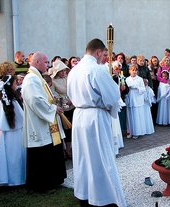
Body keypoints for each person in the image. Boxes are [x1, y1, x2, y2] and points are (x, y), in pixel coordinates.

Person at [67, 38, 127, 207]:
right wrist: (111, 109)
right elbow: (112, 97)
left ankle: (85, 194)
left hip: (79, 116)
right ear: (98, 51)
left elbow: (71, 95)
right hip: (95, 117)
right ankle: (105, 196)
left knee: (83, 157)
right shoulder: (97, 70)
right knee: (101, 157)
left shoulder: (74, 70)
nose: (105, 59)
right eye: (104, 55)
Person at [21, 51, 67, 192]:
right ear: (37, 62)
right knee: (42, 153)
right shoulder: (31, 79)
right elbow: (35, 100)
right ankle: (42, 185)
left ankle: (54, 180)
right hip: (39, 124)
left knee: (51, 149)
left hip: (48, 121)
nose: (48, 65)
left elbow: (45, 97)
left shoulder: (38, 78)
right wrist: (52, 109)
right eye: (46, 62)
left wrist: (54, 102)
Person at [0, 75, 26, 186]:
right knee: (16, 156)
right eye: (15, 83)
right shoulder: (12, 101)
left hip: (6, 134)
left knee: (8, 157)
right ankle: (17, 179)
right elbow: (22, 117)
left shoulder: (3, 101)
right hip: (16, 133)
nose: (16, 85)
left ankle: (10, 178)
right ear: (10, 85)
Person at [51, 60, 74, 160]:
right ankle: (65, 151)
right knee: (64, 130)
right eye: (61, 71)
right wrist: (62, 101)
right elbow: (52, 94)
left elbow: (74, 89)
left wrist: (72, 99)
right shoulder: (53, 81)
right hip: (61, 109)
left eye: (65, 70)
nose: (63, 73)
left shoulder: (68, 78)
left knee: (71, 129)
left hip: (72, 106)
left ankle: (70, 150)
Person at [125, 65, 151, 139]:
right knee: (130, 115)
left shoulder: (139, 79)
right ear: (130, 71)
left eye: (135, 70)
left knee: (137, 115)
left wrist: (136, 87)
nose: (134, 72)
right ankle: (130, 131)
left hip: (137, 97)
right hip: (130, 98)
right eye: (132, 70)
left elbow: (143, 89)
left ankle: (137, 132)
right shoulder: (127, 79)